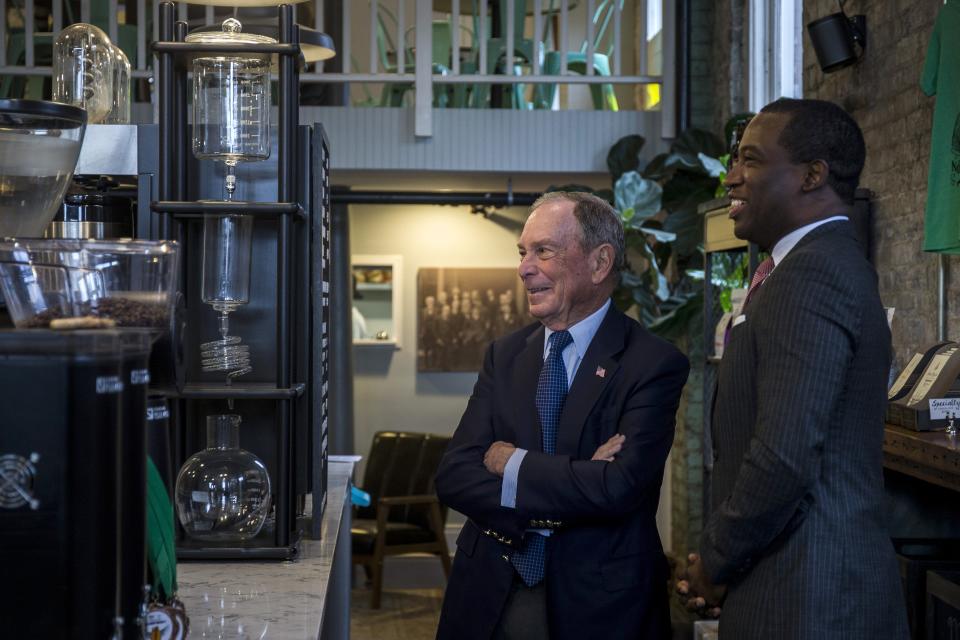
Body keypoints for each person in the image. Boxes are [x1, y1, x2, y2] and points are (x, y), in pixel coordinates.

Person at [681, 98, 909, 638]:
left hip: (810, 597)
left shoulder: (811, 275)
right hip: (800, 588)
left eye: (751, 161)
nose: (732, 178)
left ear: (813, 175)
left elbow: (783, 457)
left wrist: (714, 564)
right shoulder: (812, 267)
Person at [434, 192, 690, 640]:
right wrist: (577, 479)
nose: (523, 267)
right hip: (489, 591)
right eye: (522, 252)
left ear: (599, 262)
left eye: (543, 251)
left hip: (599, 604)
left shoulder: (652, 363)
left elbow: (619, 487)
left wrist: (511, 464)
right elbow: (454, 473)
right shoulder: (505, 355)